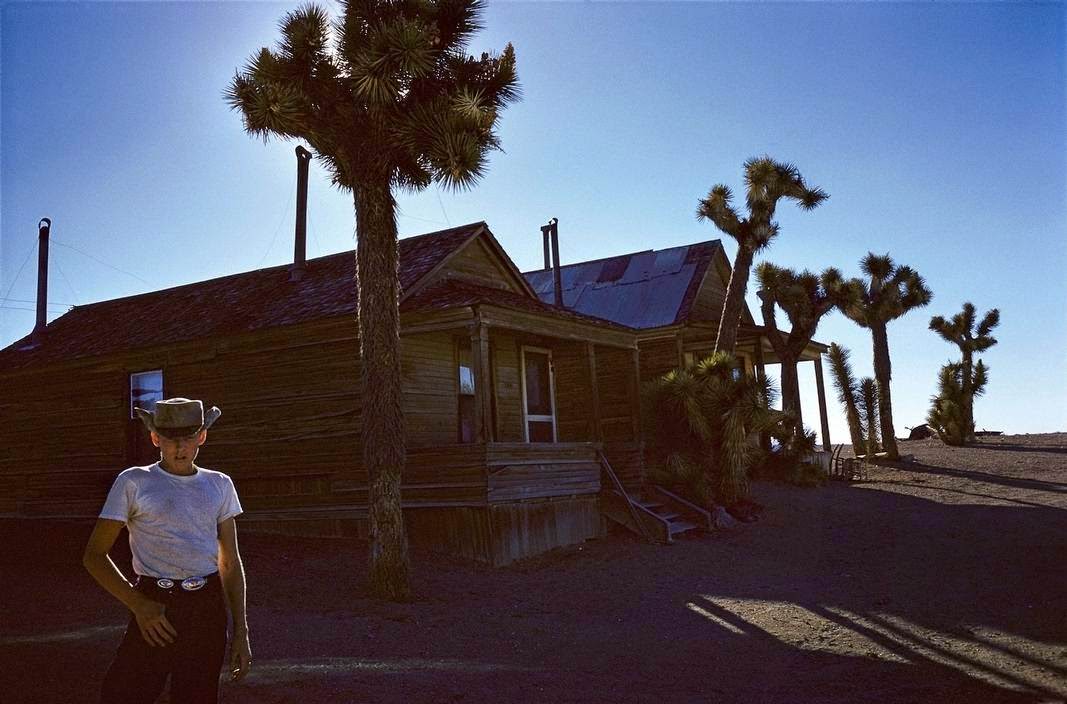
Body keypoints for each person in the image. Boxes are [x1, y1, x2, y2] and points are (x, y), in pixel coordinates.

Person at [83, 397, 252, 703]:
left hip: (206, 611)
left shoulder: (219, 484)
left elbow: (229, 561)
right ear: (155, 438)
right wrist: (140, 605)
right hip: (155, 605)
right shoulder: (134, 481)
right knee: (121, 695)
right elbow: (94, 555)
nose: (179, 448)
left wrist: (241, 630)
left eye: (188, 438)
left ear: (202, 436)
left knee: (197, 696)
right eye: (170, 440)